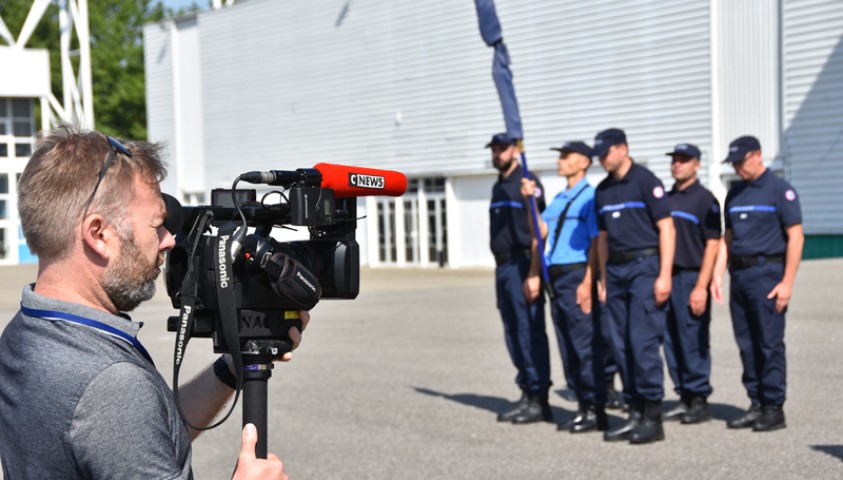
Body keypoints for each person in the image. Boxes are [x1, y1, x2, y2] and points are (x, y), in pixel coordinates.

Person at [0, 126, 305, 479]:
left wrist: (233, 364)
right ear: (99, 234)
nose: (169, 241)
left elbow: (137, 437)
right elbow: (114, 410)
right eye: (157, 225)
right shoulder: (110, 384)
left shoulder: (26, 332)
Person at [711, 135, 803, 432]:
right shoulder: (735, 194)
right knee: (746, 343)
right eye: (733, 163)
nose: (737, 167)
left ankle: (774, 407)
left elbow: (796, 237)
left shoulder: (780, 190)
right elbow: (728, 239)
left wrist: (787, 282)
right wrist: (717, 274)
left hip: (767, 275)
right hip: (739, 276)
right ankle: (756, 402)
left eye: (740, 161)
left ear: (757, 155)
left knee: (768, 343)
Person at [593, 128, 675, 444]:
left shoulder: (646, 181)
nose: (601, 158)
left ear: (623, 149)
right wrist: (602, 277)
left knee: (642, 343)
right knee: (620, 344)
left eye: (606, 151)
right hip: (615, 270)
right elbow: (602, 239)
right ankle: (634, 412)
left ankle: (653, 418)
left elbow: (666, 229)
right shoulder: (602, 191)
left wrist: (664, 274)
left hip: (645, 267)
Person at [521, 140, 607, 433]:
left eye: (565, 156)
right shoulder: (558, 199)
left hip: (575, 273)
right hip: (554, 276)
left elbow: (596, 241)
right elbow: (540, 231)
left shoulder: (590, 198)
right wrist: (529, 201)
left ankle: (595, 408)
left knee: (584, 344)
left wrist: (587, 280)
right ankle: (582, 404)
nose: (560, 162)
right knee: (567, 343)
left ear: (583, 162)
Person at [487, 132, 552, 424]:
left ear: (516, 150)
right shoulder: (499, 187)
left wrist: (535, 273)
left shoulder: (528, 183)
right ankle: (526, 391)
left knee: (529, 331)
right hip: (503, 267)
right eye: (495, 150)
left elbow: (540, 231)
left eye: (502, 149)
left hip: (523, 263)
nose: (497, 154)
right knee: (513, 332)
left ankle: (539, 397)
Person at [661, 143, 720, 424]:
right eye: (674, 160)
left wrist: (701, 286)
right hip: (666, 277)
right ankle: (683, 396)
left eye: (683, 160)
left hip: (690, 276)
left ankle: (698, 400)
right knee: (671, 339)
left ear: (697, 165)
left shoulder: (705, 199)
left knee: (692, 338)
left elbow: (713, 245)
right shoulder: (666, 198)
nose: (677, 165)